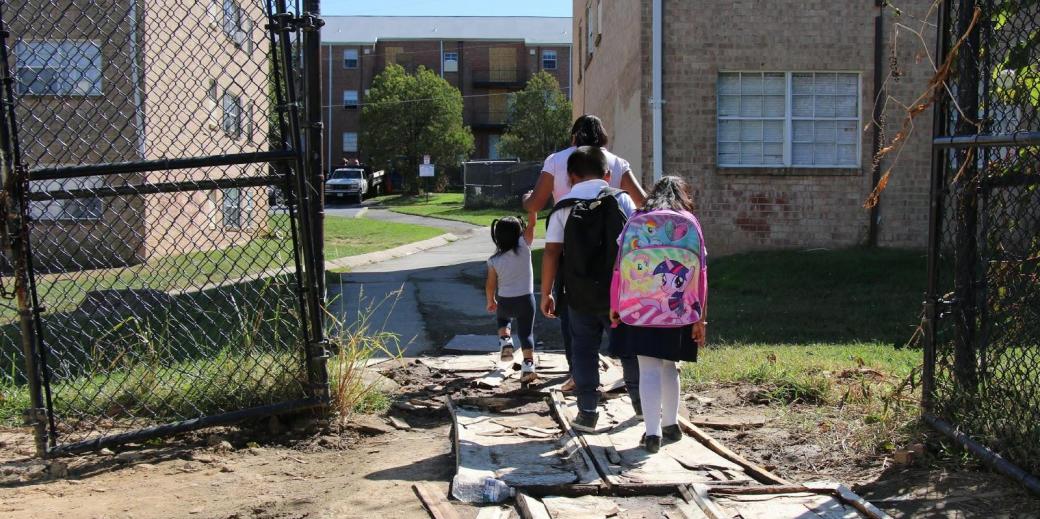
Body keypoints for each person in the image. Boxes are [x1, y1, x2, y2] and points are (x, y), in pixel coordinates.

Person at [523, 115, 647, 390]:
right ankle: (637, 389)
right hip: (612, 254)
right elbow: (643, 203)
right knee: (619, 318)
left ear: (574, 137)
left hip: (572, 251)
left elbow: (536, 203)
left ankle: (580, 377)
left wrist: (526, 199)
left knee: (576, 322)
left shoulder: (557, 160)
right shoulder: (616, 162)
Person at [540, 146, 639, 432]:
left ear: (571, 177)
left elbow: (551, 253)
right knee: (630, 350)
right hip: (619, 296)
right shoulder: (623, 201)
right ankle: (641, 406)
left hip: (578, 295)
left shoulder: (563, 207)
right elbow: (636, 249)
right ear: (608, 175)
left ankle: (587, 412)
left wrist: (547, 292)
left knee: (583, 350)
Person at [610, 176, 708, 453]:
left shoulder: (637, 220)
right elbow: (701, 274)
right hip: (680, 310)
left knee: (648, 369)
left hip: (640, 308)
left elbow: (619, 267)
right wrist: (700, 318)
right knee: (669, 366)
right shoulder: (689, 222)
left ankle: (652, 434)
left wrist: (615, 305)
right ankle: (670, 425)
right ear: (683, 196)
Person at [486, 212, 539, 383]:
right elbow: (532, 224)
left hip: (505, 300)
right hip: (526, 300)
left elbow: (490, 284)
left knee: (502, 319)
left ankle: (505, 340)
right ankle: (528, 365)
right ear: (519, 233)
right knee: (526, 333)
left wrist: (490, 300)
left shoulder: (494, 260)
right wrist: (532, 207)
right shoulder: (524, 246)